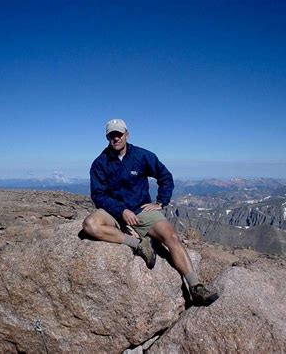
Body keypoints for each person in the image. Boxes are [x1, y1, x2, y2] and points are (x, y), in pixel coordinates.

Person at [82, 118, 217, 306]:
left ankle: (196, 287)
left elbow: (165, 177)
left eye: (119, 134)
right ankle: (138, 243)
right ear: (107, 137)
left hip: (142, 209)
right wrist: (121, 210)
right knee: (90, 225)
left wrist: (161, 201)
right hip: (113, 211)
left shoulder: (142, 156)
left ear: (127, 134)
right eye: (112, 135)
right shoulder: (100, 163)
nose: (116, 138)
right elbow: (98, 195)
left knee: (172, 237)